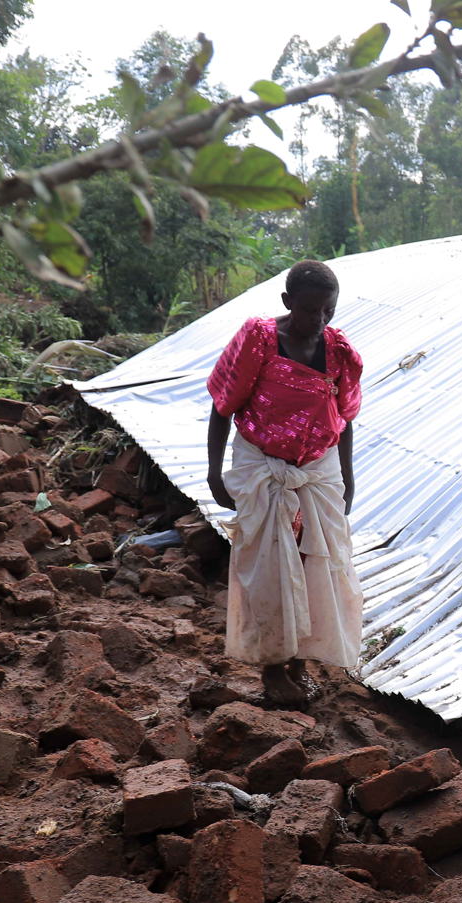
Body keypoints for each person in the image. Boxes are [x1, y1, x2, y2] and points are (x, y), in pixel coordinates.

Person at [206, 260, 364, 705]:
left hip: (319, 467)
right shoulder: (259, 339)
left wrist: (347, 477)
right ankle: (273, 670)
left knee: (318, 563)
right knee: (269, 565)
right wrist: (214, 470)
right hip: (262, 462)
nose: (319, 319)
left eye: (327, 310)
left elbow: (345, 419)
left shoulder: (338, 351)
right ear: (287, 303)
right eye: (309, 309)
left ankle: (300, 661)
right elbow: (223, 408)